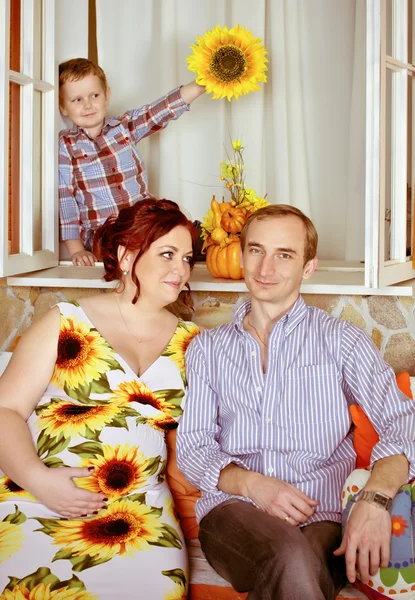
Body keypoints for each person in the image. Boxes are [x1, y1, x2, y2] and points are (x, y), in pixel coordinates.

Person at [176, 204, 415, 600]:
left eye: (284, 254)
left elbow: (403, 421)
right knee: (289, 555)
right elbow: (194, 447)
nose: (265, 267)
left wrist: (374, 499)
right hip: (234, 513)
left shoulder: (342, 341)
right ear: (242, 255)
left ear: (307, 267)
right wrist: (255, 486)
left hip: (322, 516)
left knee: (296, 564)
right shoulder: (207, 349)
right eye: (256, 250)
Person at [0, 199, 200, 599]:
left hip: (141, 512)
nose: (180, 269)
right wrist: (39, 481)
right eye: (167, 254)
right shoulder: (65, 321)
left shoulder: (192, 343)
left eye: (187, 258)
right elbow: (5, 410)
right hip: (40, 499)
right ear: (126, 256)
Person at [58, 57, 205, 266]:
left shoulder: (123, 127)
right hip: (105, 232)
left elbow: (158, 112)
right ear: (63, 107)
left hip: (143, 220)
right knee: (130, 241)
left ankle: (186, 245)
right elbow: (66, 200)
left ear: (107, 95)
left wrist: (200, 85)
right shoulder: (67, 145)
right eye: (77, 100)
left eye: (94, 95)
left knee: (173, 222)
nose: (88, 105)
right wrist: (76, 250)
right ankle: (161, 250)